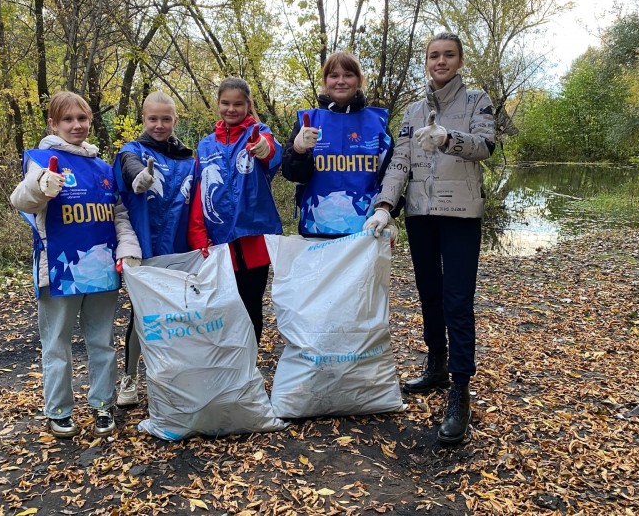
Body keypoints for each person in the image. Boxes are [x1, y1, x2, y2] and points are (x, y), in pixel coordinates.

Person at [365, 32, 496, 444]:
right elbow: (400, 160)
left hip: (460, 214)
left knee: (458, 299)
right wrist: (385, 207)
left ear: (459, 60)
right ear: (426, 61)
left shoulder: (478, 101)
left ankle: (460, 387)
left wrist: (447, 140)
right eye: (434, 56)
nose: (440, 62)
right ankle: (436, 363)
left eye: (448, 55)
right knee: (430, 294)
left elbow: (486, 145)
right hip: (421, 214)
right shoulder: (413, 109)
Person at [10, 91, 141, 439]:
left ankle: (102, 404)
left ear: (90, 121)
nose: (76, 125)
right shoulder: (41, 160)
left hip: (100, 271)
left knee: (102, 342)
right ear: (54, 123)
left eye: (81, 118)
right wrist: (40, 186)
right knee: (57, 343)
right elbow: (20, 199)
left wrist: (127, 249)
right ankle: (59, 410)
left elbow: (119, 215)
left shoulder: (102, 167)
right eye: (67, 119)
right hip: (58, 271)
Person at [113, 91, 195, 407]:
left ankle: (177, 378)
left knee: (181, 316)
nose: (159, 125)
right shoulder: (131, 151)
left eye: (165, 118)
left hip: (182, 250)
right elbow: (131, 169)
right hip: (145, 250)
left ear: (175, 120)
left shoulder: (189, 160)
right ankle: (130, 378)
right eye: (152, 118)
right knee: (142, 316)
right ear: (143, 119)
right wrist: (141, 177)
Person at [188, 77, 283, 345]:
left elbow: (270, 150)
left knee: (251, 305)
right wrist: (198, 235)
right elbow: (198, 191)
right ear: (218, 104)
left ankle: (249, 365)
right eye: (225, 103)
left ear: (248, 105)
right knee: (225, 306)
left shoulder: (259, 131)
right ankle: (230, 363)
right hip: (218, 241)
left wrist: (263, 148)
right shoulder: (205, 146)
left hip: (254, 239)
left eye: (238, 104)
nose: (231, 109)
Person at [281, 50, 395, 238]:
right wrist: (298, 151)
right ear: (326, 82)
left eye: (348, 75)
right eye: (334, 75)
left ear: (359, 80)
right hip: (317, 226)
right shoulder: (308, 120)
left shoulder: (378, 122)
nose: (341, 81)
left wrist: (388, 212)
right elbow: (292, 174)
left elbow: (392, 174)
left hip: (367, 228)